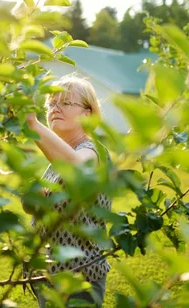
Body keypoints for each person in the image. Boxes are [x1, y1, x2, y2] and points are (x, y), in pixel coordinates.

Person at [25, 74, 111, 308]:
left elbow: (77, 170)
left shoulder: (93, 152)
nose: (55, 108)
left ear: (87, 113)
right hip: (49, 275)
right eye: (51, 103)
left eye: (65, 102)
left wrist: (33, 124)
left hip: (79, 278)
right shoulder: (57, 158)